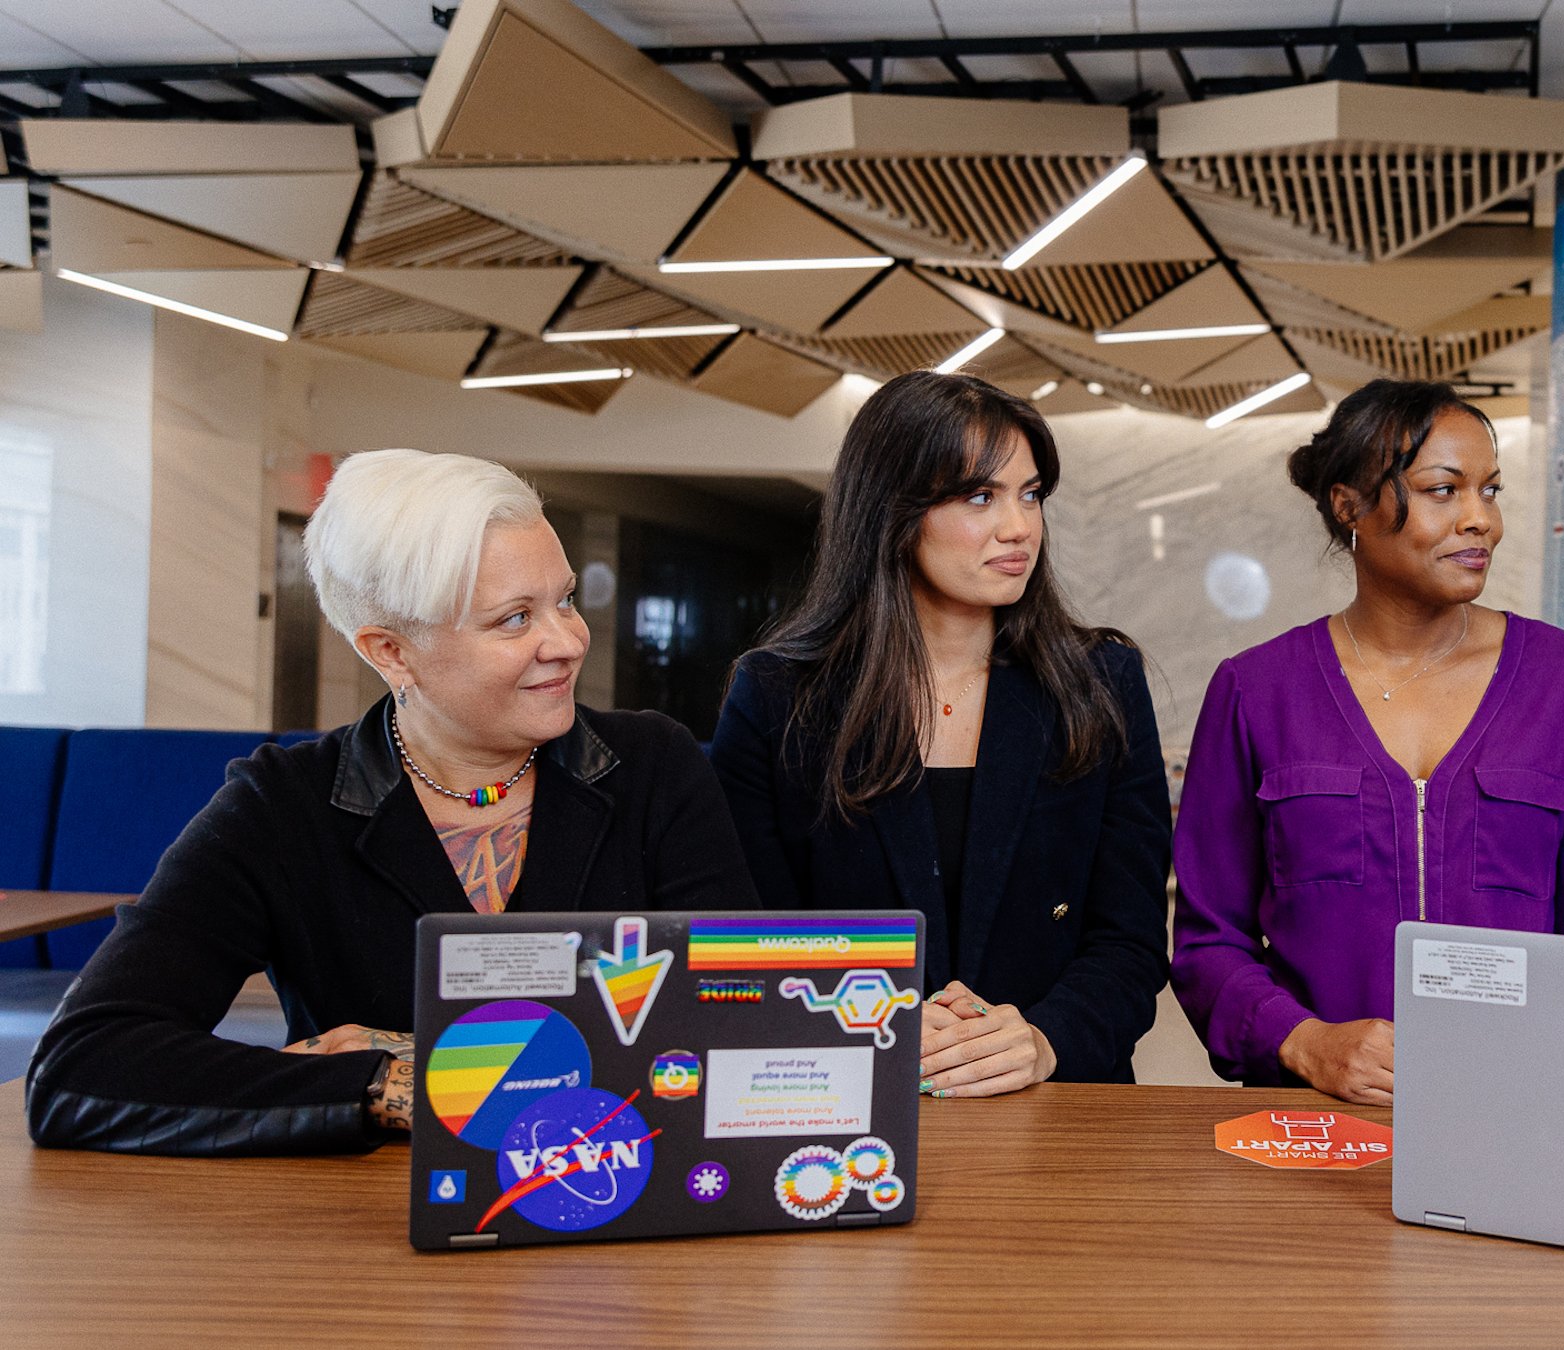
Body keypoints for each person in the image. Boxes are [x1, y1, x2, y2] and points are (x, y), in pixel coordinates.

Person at [25, 450, 758, 1155]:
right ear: (391, 652)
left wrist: (438, 1064)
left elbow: (744, 1021)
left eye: (564, 600)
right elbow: (81, 1063)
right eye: (515, 618)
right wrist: (377, 1082)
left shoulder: (652, 768)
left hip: (621, 1201)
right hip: (372, 1240)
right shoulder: (283, 806)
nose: (567, 640)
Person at [1171, 379, 1564, 1104]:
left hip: (1524, 1115)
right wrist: (1306, 1043)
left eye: (1490, 491)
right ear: (1350, 507)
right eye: (1443, 490)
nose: (1482, 521)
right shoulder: (1256, 690)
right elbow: (1209, 943)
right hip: (1312, 1120)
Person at [711, 371, 1170, 1097]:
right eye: (980, 496)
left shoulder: (1098, 682)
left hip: (1057, 1108)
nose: (1019, 527)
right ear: (893, 510)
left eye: (1031, 495)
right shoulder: (779, 696)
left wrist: (1042, 1041)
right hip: (844, 1095)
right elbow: (747, 935)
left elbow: (1131, 940)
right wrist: (879, 1025)